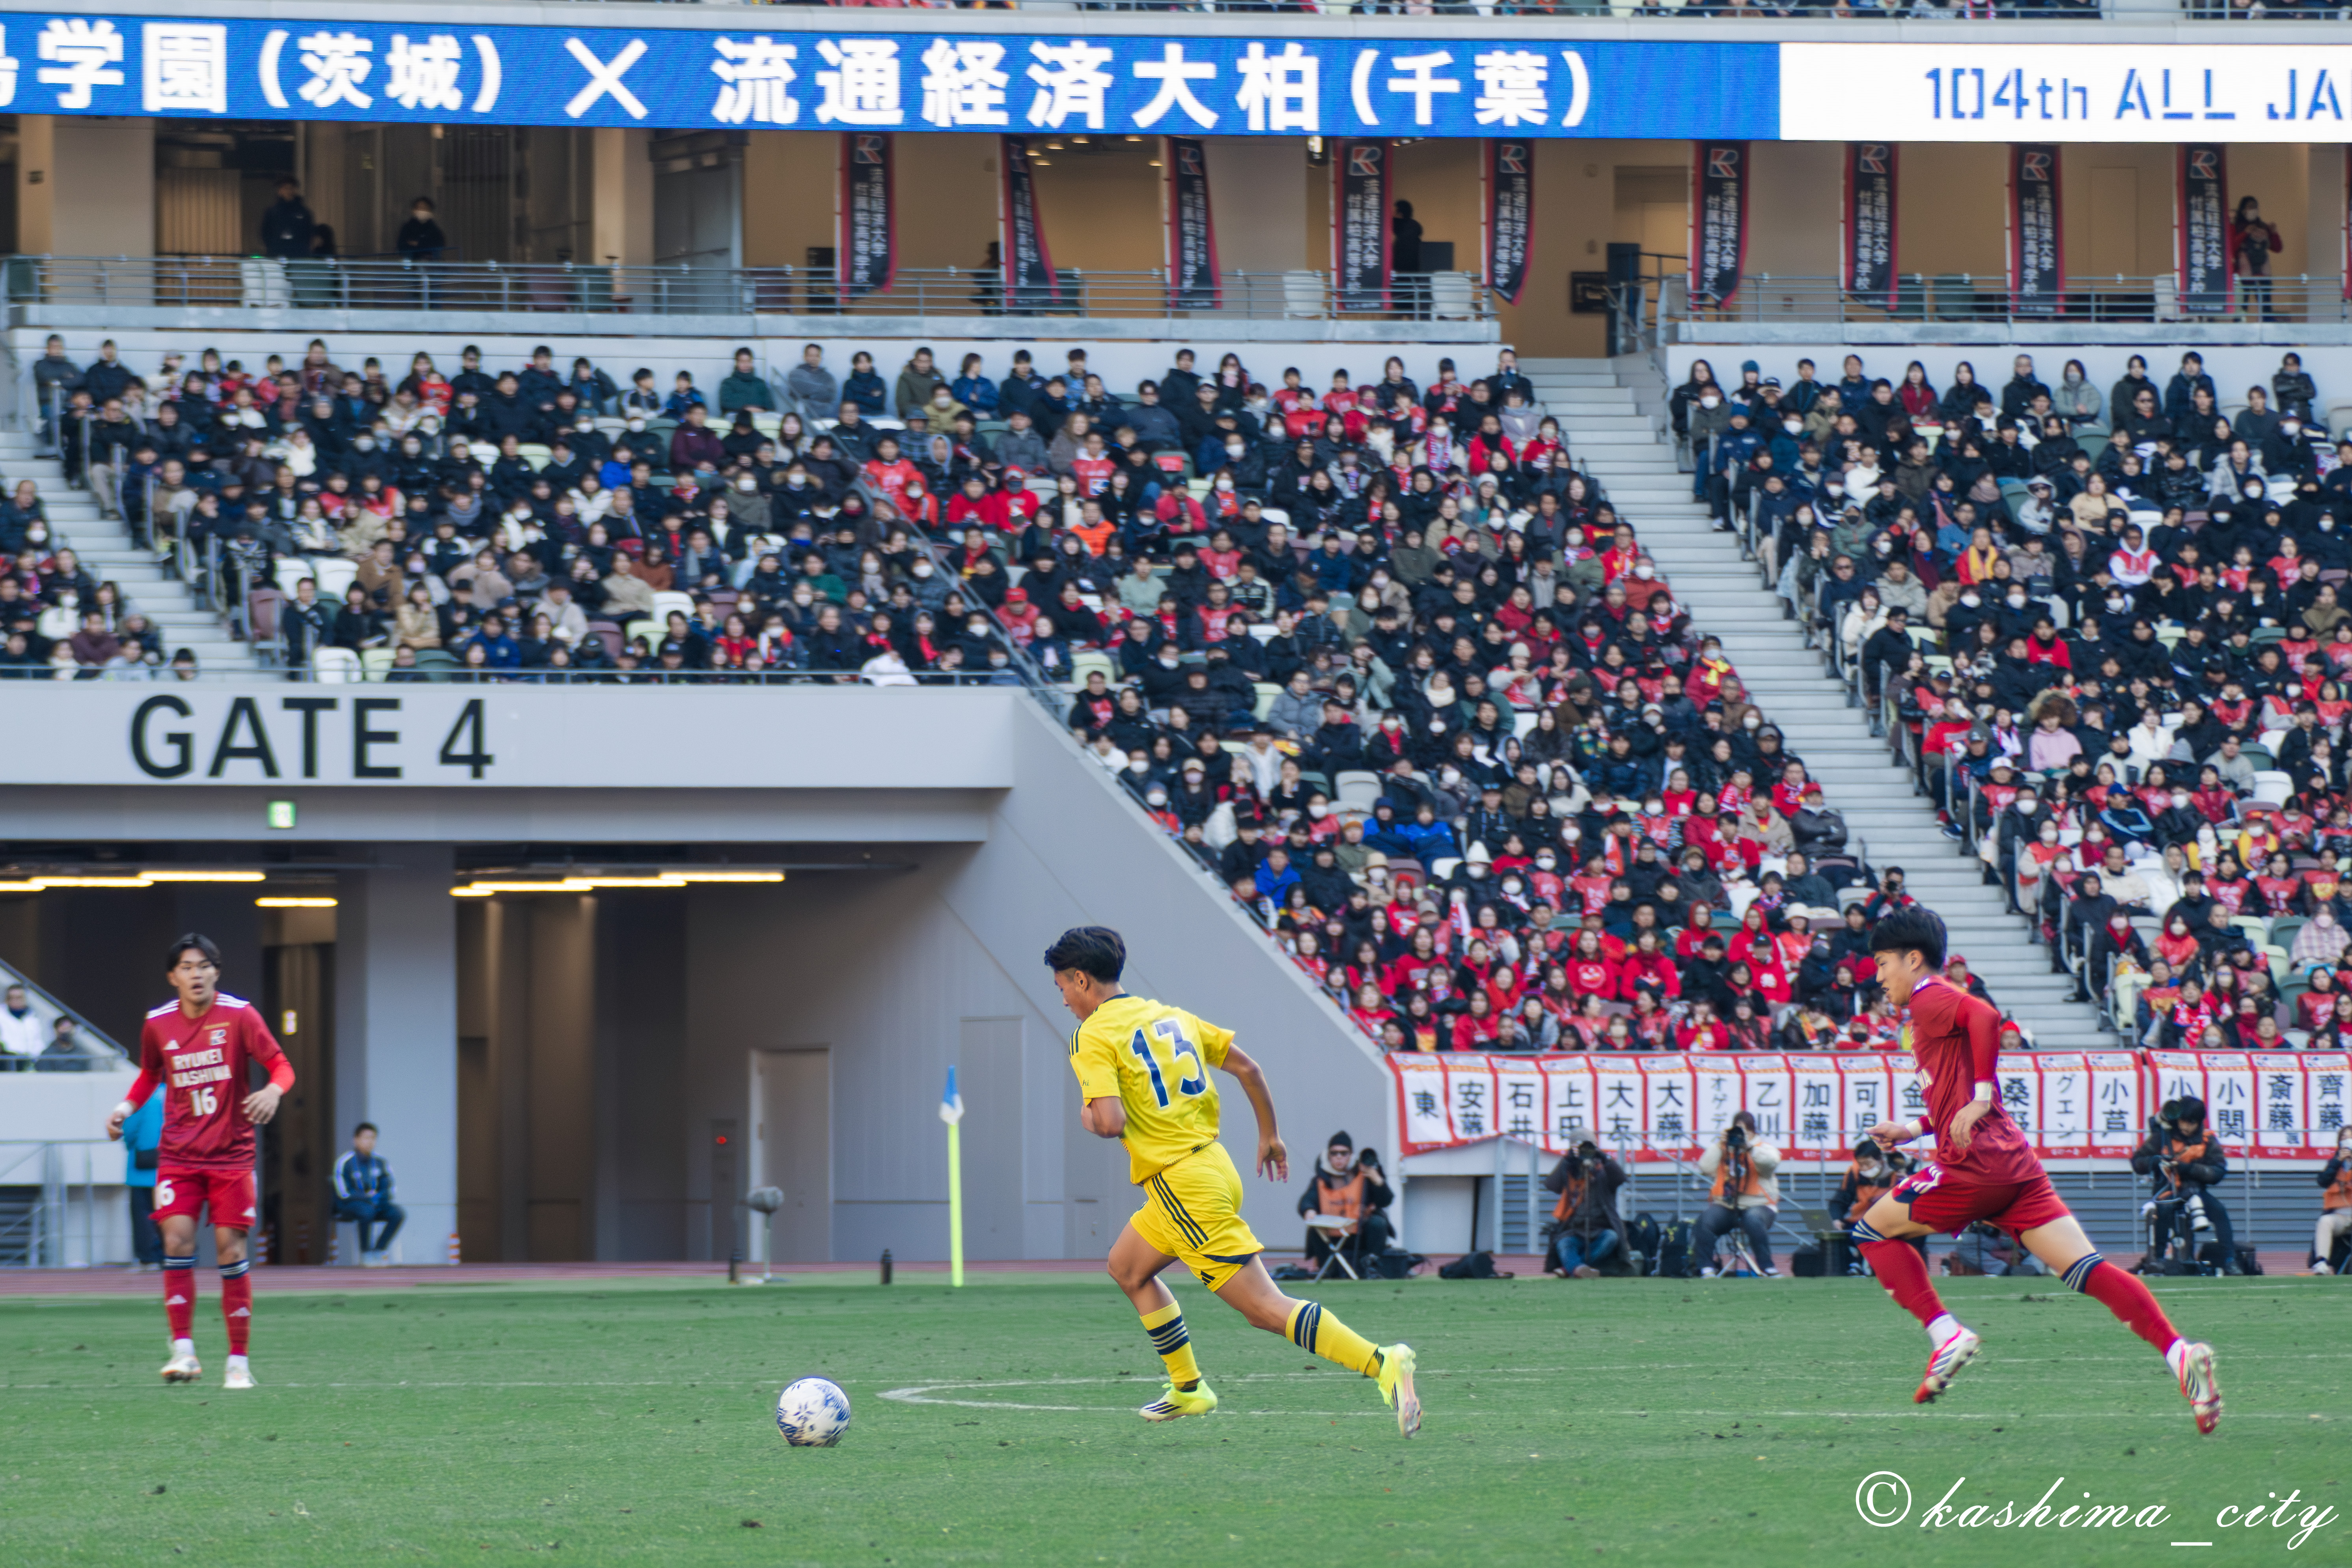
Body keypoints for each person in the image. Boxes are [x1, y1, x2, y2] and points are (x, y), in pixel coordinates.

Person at [1856, 907, 2218, 1432]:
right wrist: (1915, 1129)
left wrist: (1980, 1097)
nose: (1879, 974)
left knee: (1871, 1229)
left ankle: (1946, 1335)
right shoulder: (1929, 1008)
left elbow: (1985, 1018)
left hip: (1973, 1168)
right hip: (2013, 1166)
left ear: (1913, 960)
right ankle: (2179, 1353)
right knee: (2086, 1268)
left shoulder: (1927, 997)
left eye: (1883, 962)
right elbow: (1953, 1092)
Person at [1049, 925, 1420, 1434]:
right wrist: (1270, 1135)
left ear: (1081, 978)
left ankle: (1383, 1362)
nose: (1064, 1000)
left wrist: (1087, 1116)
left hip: (1182, 1184)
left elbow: (1109, 1123)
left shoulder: (1091, 1034)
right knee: (1128, 1267)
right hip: (1209, 1167)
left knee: (1264, 1309)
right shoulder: (1170, 1016)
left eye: (1063, 988)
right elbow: (1249, 1068)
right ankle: (1188, 1388)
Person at [104, 934, 296, 1389]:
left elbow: (281, 1065)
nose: (196, 973)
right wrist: (125, 1109)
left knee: (231, 1249)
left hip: (231, 1155)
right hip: (179, 1154)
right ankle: (184, 1350)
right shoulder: (158, 1023)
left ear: (217, 971)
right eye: (187, 966)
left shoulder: (240, 1015)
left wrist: (272, 1090)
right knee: (176, 1242)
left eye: (204, 965)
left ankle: (238, 1360)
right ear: (174, 976)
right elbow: (151, 1073)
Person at [2130, 1097, 2239, 1275]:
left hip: (2195, 1191)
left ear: (2199, 1122)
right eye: (2182, 1121)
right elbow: (2137, 1163)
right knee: (2162, 1214)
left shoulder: (2207, 1141)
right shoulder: (2163, 1137)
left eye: (2191, 1123)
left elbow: (2218, 1172)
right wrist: (2155, 1161)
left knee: (2219, 1211)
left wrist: (2188, 1169)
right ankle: (2157, 1262)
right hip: (2166, 1191)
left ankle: (2229, 1260)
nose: (2185, 1127)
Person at [1693, 1111, 1780, 1276]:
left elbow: (1770, 1164)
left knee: (1753, 1220)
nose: (1739, 1137)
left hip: (1759, 1205)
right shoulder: (1724, 1150)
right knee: (1705, 1221)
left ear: (1753, 1132)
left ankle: (1767, 1267)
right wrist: (1720, 1145)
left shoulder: (1764, 1149)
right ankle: (1706, 1267)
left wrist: (1750, 1148)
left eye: (1744, 1132)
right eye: (1737, 1132)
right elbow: (1705, 1168)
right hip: (1728, 1205)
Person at [1294, 1131, 1393, 1275]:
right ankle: (1328, 1271)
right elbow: (1307, 1200)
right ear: (1328, 1156)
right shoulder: (1320, 1180)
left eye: (1344, 1153)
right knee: (1314, 1228)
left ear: (1351, 1155)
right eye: (1334, 1154)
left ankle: (1371, 1267)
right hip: (1331, 1234)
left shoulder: (1364, 1176)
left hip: (1360, 1233)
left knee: (1378, 1223)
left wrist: (1377, 1180)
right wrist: (1309, 1210)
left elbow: (1386, 1201)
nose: (1339, 1158)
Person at [1541, 1135, 1625, 1278]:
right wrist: (1567, 1160)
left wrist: (1604, 1158)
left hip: (1601, 1230)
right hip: (1574, 1230)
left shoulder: (1605, 1177)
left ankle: (1572, 1269)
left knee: (1611, 1238)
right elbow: (1552, 1185)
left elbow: (1620, 1178)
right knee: (1564, 1243)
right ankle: (1580, 1269)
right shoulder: (1571, 1176)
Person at [333, 1121, 405, 1266]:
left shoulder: (381, 1162)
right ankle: (365, 1253)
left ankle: (378, 1251)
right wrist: (366, 1198)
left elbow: (390, 1188)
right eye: (366, 1138)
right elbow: (343, 1192)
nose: (369, 1142)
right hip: (351, 1206)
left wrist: (379, 1198)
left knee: (398, 1214)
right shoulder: (345, 1162)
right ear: (356, 1140)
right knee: (366, 1211)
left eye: (373, 1138)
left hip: (376, 1204)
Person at [125, 1089, 163, 1269]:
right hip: (171, 1165)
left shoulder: (142, 1096)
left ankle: (148, 1258)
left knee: (143, 1213)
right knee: (171, 1213)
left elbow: (130, 1128)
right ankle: (172, 1255)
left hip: (142, 1164)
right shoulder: (175, 1093)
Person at [2311, 1126, 2352, 1275]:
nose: (2347, 1141)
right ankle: (2322, 1263)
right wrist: (2338, 1162)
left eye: (2350, 1137)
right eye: (2343, 1138)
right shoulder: (2336, 1161)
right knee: (2325, 1222)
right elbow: (2323, 1181)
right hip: (2341, 1216)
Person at [0, 983, 40, 1065]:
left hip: (32, 1062)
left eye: (19, 998)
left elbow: (38, 1042)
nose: (16, 1000)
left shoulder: (33, 1018)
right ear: (7, 999)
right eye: (12, 998)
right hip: (9, 1063)